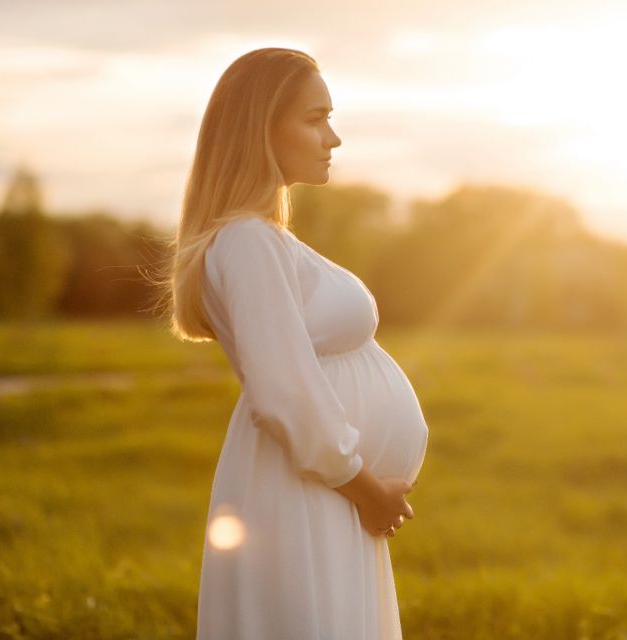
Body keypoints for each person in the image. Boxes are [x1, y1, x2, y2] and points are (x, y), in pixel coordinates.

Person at [156, 48, 429, 639]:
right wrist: (367, 490)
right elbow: (282, 391)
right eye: (315, 118)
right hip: (310, 490)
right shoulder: (248, 242)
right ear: (261, 127)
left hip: (320, 491)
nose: (333, 137)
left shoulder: (263, 239)